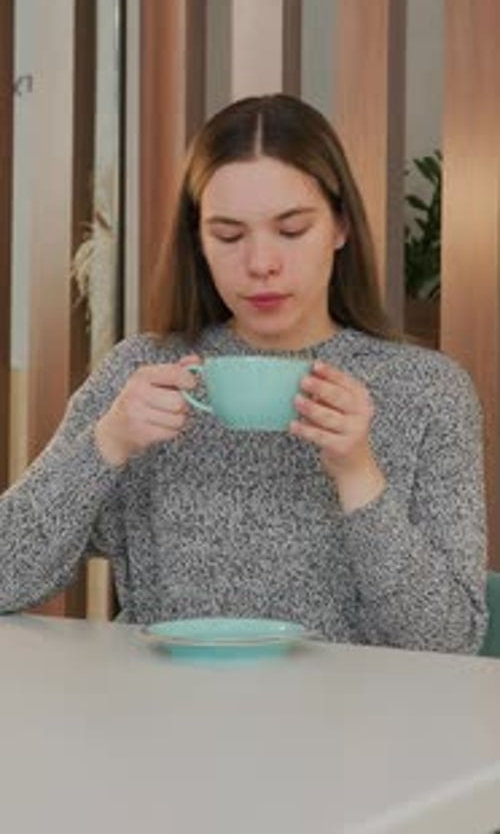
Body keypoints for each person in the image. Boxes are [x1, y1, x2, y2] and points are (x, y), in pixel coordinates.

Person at [0, 94, 488, 653]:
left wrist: (358, 474)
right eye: (229, 236)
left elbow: (451, 642)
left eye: (292, 230)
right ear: (199, 242)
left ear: (341, 226)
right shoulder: (142, 376)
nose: (261, 264)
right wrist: (105, 444)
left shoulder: (428, 392)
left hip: (352, 710)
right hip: (162, 702)